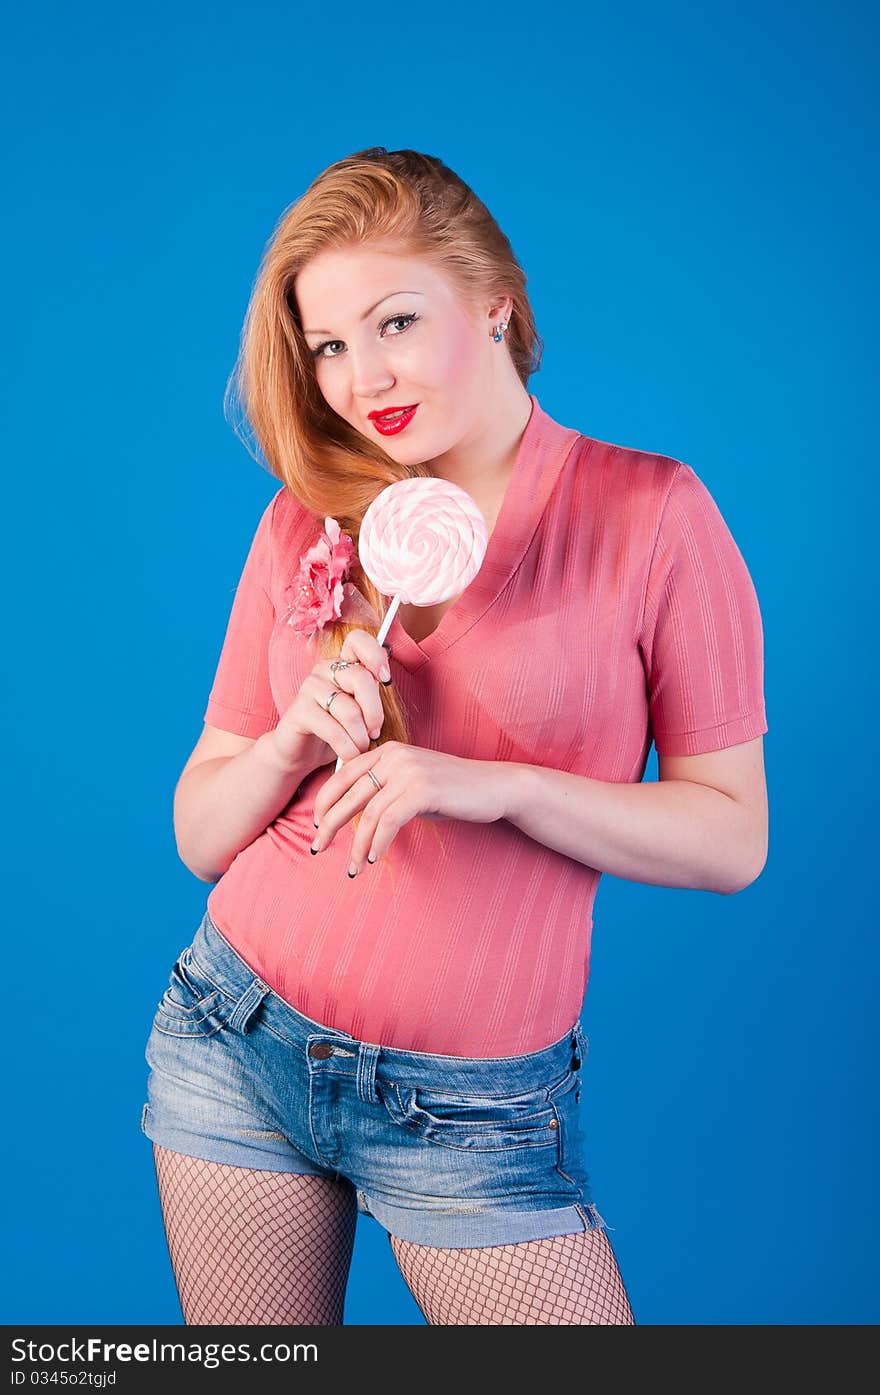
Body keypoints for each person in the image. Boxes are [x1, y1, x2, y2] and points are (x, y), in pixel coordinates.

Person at [140, 146, 769, 1327]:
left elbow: (733, 842)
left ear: (496, 306)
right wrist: (288, 746)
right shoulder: (312, 513)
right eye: (328, 345)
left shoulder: (653, 518)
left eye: (394, 322)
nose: (359, 374)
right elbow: (198, 830)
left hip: (472, 1112)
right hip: (237, 1034)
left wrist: (494, 785)